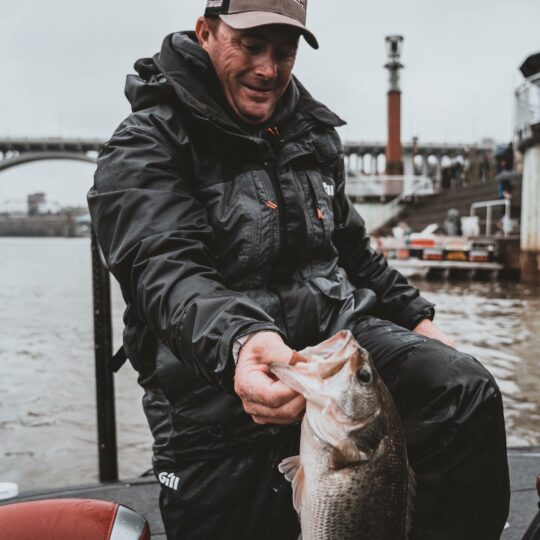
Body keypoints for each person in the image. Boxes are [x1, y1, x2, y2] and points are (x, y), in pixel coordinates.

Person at [87, 1, 510, 539]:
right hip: (212, 380)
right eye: (252, 45)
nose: (269, 68)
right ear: (206, 32)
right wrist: (242, 341)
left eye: (284, 52)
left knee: (462, 389)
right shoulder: (145, 143)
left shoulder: (311, 132)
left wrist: (418, 318)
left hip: (332, 350)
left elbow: (353, 250)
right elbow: (164, 269)